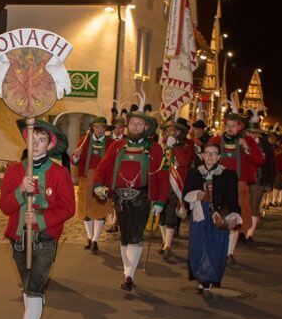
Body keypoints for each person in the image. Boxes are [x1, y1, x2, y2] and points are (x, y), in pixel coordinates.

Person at [0, 120, 75, 319]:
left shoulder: (59, 173)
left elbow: (68, 208)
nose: (35, 144)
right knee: (27, 287)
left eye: (41, 140)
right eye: (31, 139)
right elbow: (5, 207)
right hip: (18, 239)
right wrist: (21, 190)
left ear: (50, 144)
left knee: (34, 289)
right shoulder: (14, 171)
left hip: (45, 239)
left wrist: (41, 219)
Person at [92, 111, 168, 290]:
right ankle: (127, 271)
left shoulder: (155, 148)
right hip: (119, 197)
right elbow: (102, 168)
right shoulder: (117, 146)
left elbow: (163, 177)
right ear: (128, 125)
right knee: (124, 235)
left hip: (142, 197)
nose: (135, 127)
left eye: (139, 124)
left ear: (146, 127)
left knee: (135, 235)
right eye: (132, 123)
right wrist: (97, 185)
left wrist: (160, 201)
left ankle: (129, 276)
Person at [184, 143, 241, 300]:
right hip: (199, 215)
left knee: (214, 248)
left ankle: (208, 283)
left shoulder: (228, 175)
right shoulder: (195, 173)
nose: (210, 156)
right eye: (207, 153)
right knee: (199, 246)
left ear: (219, 157)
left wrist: (234, 215)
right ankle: (201, 281)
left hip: (218, 216)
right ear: (203, 156)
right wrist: (196, 194)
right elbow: (186, 192)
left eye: (214, 154)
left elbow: (233, 198)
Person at [210, 109, 265, 263]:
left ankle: (229, 253)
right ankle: (218, 249)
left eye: (233, 125)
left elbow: (259, 160)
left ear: (239, 126)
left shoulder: (246, 141)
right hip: (218, 184)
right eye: (228, 125)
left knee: (235, 219)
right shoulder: (216, 140)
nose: (230, 128)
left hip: (239, 186)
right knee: (218, 217)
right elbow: (207, 158)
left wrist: (247, 148)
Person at [71, 116, 110, 252]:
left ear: (105, 129)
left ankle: (95, 240)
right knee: (86, 209)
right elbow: (74, 161)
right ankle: (89, 237)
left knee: (100, 209)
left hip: (102, 180)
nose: (99, 130)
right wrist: (76, 155)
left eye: (102, 128)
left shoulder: (110, 143)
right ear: (92, 128)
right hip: (85, 179)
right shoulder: (84, 141)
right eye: (97, 127)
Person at [158, 117, 194, 258]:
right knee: (161, 214)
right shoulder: (163, 144)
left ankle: (168, 245)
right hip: (163, 182)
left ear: (181, 132)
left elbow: (184, 162)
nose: (171, 132)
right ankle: (164, 241)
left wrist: (174, 146)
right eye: (170, 130)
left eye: (175, 130)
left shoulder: (186, 145)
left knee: (170, 215)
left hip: (176, 184)